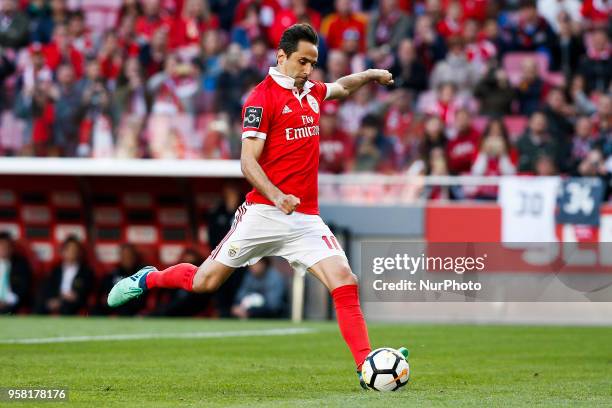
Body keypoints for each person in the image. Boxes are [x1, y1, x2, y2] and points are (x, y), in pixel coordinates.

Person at [108, 23, 407, 389]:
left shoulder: (311, 92)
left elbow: (342, 87)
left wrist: (370, 75)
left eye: (313, 63)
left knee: (345, 281)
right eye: (302, 61)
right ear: (281, 57)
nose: (308, 70)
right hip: (264, 213)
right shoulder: (261, 99)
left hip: (305, 218)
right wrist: (278, 195)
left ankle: (365, 366)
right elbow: (248, 162)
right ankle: (148, 277)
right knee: (205, 282)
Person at [35, 235, 93, 315]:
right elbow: (49, 287)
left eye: (75, 250)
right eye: (69, 249)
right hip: (56, 298)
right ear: (63, 251)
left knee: (66, 306)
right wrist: (54, 299)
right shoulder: (56, 270)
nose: (72, 252)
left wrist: (73, 296)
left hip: (73, 302)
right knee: (39, 306)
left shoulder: (85, 272)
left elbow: (84, 290)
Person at [0, 232, 32, 314]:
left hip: (12, 302)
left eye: (6, 246)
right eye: (1, 245)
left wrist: (7, 301)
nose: (3, 248)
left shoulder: (20, 264)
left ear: (11, 248)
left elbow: (23, 288)